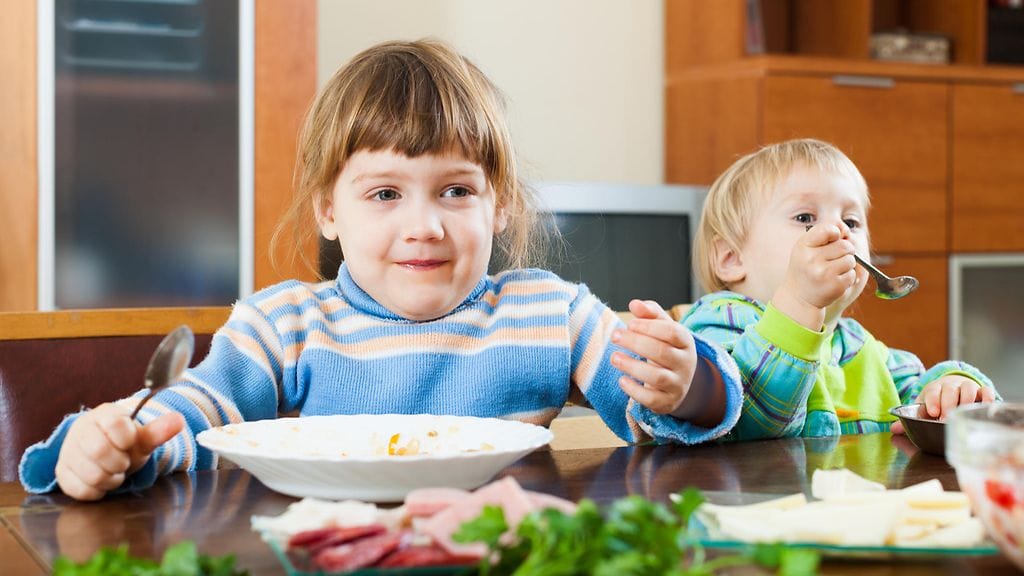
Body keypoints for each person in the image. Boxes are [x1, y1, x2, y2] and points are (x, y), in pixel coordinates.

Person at [21, 39, 743, 501]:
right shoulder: (284, 325)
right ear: (328, 211)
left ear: (499, 206)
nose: (424, 225)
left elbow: (662, 415)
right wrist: (116, 445)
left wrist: (690, 385)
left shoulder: (548, 313)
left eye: (455, 191)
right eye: (386, 194)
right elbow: (194, 412)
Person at [681, 138, 998, 440]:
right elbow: (749, 415)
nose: (839, 231)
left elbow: (920, 397)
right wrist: (800, 300)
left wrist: (951, 390)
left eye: (852, 221)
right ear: (731, 258)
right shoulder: (718, 323)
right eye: (805, 217)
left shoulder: (858, 346)